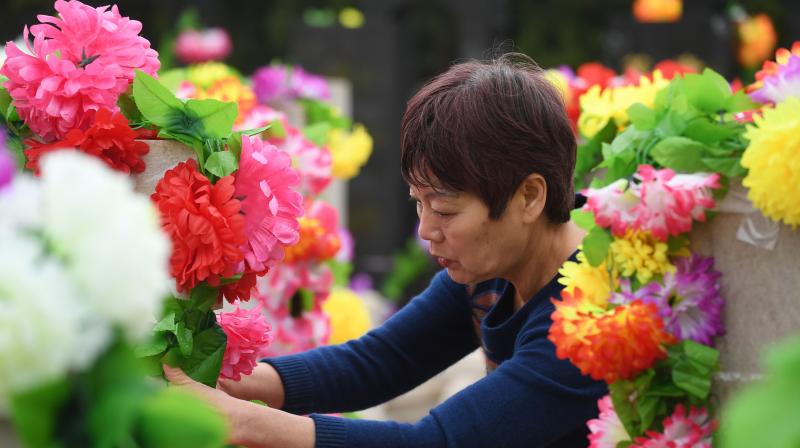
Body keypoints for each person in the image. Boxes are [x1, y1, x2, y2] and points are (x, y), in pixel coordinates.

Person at [164, 52, 607, 448]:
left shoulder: (595, 314)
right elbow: (381, 361)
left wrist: (247, 423)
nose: (427, 230)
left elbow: (441, 442)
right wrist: (232, 382)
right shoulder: (495, 265)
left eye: (446, 210)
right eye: (419, 203)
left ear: (529, 197)